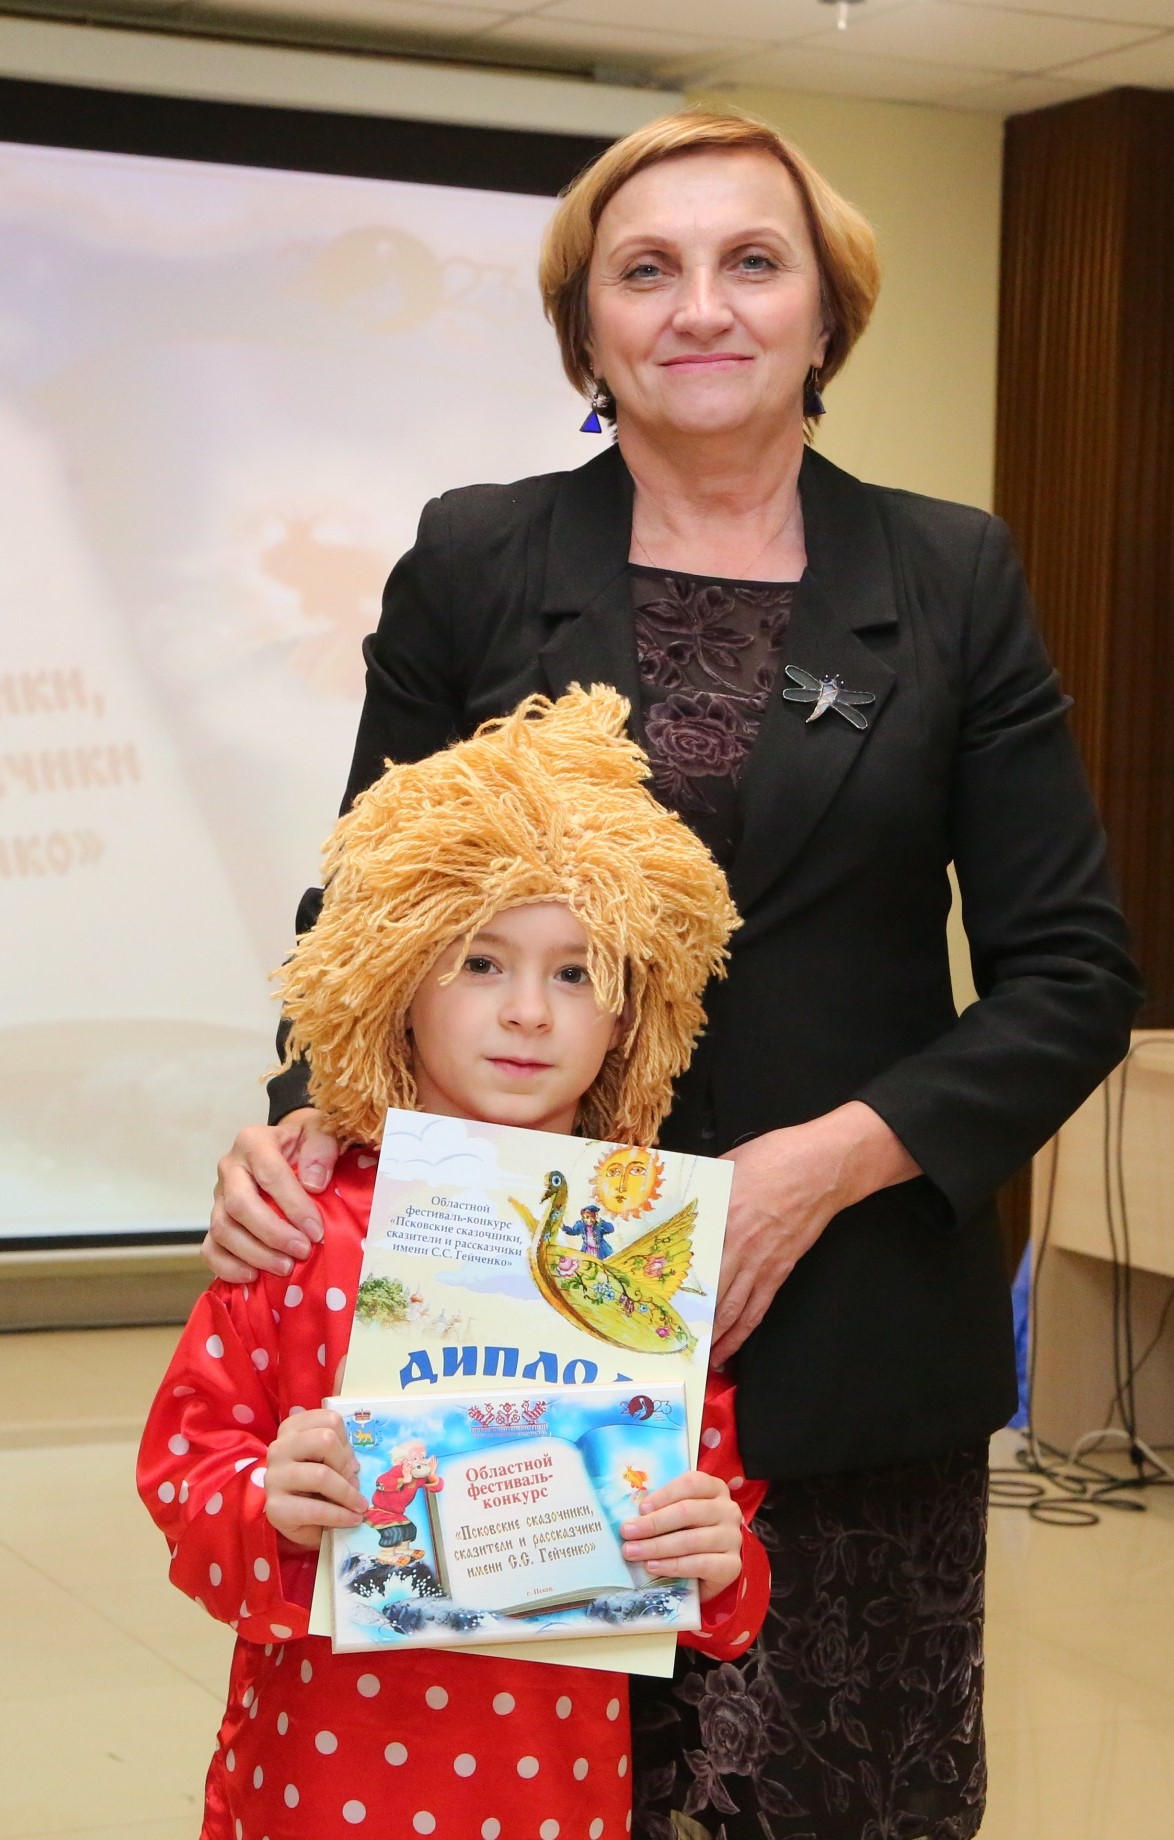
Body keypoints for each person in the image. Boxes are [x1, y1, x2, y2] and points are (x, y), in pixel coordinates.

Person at [201, 110, 1143, 1838]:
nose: (700, 306)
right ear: (587, 326)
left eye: (750, 262)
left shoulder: (949, 574)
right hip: (506, 1353)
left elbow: (1073, 971)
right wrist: (298, 1128)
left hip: (847, 1335)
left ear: (826, 312)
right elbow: (369, 920)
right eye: (646, 269)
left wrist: (816, 1170)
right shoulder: (479, 557)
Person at [139, 687, 769, 1840]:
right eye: (480, 961)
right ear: (396, 978)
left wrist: (717, 1557)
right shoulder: (299, 1223)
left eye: (576, 972)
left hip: (555, 1794)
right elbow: (187, 1475)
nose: (528, 1011)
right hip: (313, 1789)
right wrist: (269, 1504)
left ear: (631, 1012)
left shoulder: (639, 1252)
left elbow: (711, 1531)